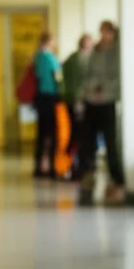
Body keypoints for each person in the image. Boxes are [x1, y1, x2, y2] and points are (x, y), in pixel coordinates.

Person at [81, 21, 125, 204]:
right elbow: (88, 75)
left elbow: (118, 77)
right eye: (101, 32)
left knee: (110, 144)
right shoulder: (96, 52)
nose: (104, 36)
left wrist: (104, 91)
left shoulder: (118, 53)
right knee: (88, 142)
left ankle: (118, 182)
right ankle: (88, 179)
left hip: (107, 102)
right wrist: (91, 89)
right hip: (92, 101)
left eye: (107, 32)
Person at [62, 34, 94, 180]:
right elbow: (77, 83)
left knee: (79, 135)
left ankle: (76, 165)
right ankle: (74, 166)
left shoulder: (73, 59)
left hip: (78, 101)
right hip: (77, 102)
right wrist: (77, 101)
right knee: (78, 135)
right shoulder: (77, 60)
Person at [33, 33, 62, 178]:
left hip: (40, 97)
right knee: (52, 133)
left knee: (41, 134)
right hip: (50, 97)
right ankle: (52, 167)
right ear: (49, 41)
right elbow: (57, 76)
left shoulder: (37, 57)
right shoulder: (49, 57)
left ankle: (38, 167)